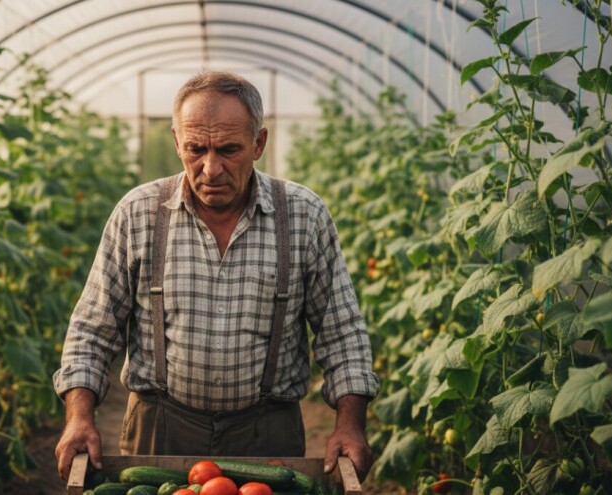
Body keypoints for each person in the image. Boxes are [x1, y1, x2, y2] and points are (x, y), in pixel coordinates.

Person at [53, 71, 379, 481]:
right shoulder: (138, 214)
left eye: (228, 149)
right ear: (176, 142)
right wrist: (79, 417)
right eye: (195, 149)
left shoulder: (303, 215)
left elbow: (342, 334)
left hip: (267, 432)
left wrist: (350, 424)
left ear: (258, 143)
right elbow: (92, 330)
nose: (210, 168)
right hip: (160, 427)